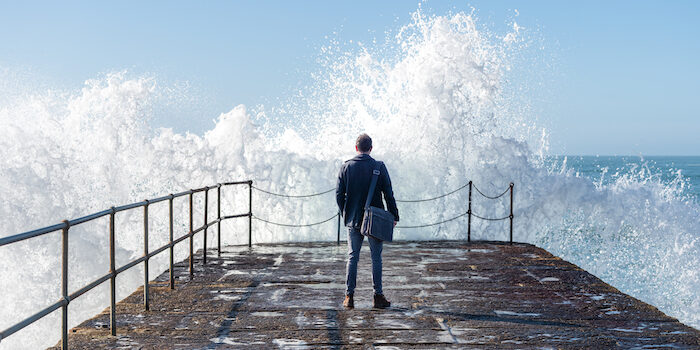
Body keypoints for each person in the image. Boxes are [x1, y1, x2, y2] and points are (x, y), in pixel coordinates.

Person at [336, 133, 399, 309]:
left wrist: (345, 213)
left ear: (356, 148)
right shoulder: (379, 166)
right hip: (375, 220)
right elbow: (388, 193)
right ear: (371, 148)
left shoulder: (346, 167)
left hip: (353, 219)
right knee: (376, 258)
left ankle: (349, 297)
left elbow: (339, 195)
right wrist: (394, 215)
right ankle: (378, 296)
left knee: (352, 257)